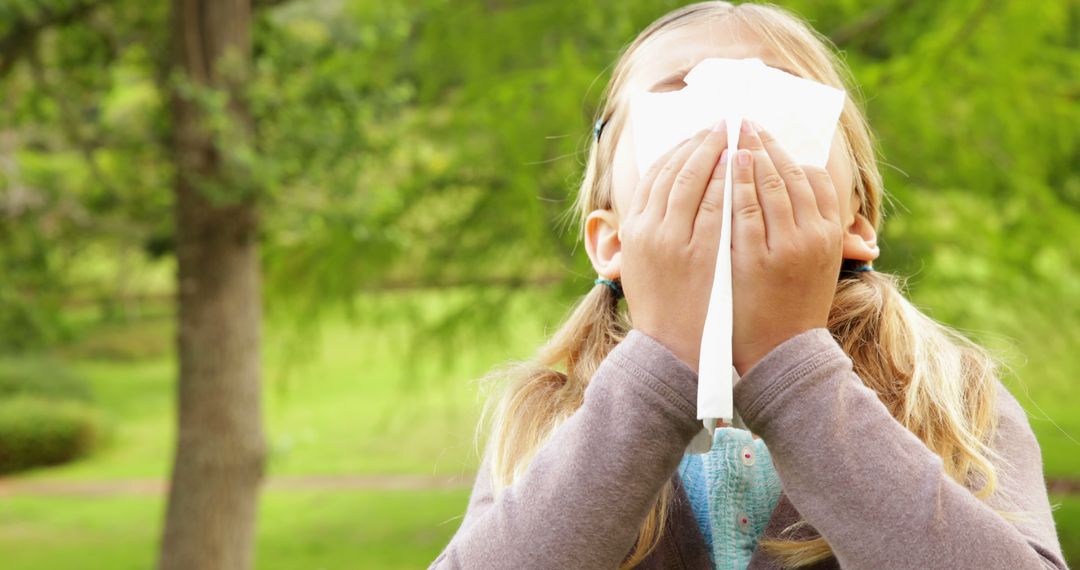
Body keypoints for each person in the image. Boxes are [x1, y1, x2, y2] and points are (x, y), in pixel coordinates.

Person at [429, 2, 1067, 569]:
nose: (731, 120)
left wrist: (791, 366)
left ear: (855, 224)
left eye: (780, 95)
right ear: (612, 241)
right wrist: (660, 363)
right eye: (678, 94)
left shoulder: (949, 395)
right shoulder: (551, 412)